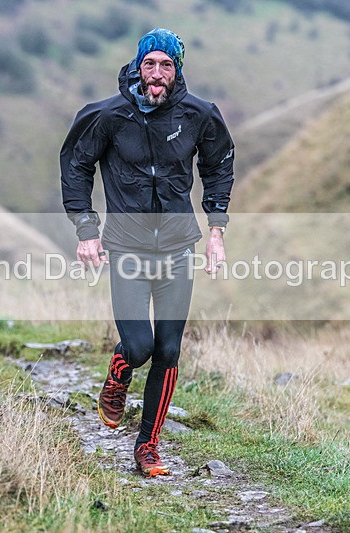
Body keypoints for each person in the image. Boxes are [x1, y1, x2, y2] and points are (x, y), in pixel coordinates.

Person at [60, 28, 234, 477]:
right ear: (139, 67)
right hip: (129, 249)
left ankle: (148, 447)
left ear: (177, 71)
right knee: (139, 346)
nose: (157, 74)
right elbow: (76, 165)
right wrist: (86, 229)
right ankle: (119, 373)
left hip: (178, 248)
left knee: (169, 350)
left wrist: (216, 231)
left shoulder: (199, 115)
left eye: (167, 65)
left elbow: (218, 167)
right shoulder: (107, 115)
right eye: (150, 64)